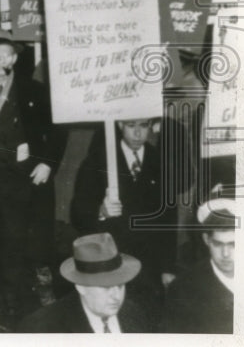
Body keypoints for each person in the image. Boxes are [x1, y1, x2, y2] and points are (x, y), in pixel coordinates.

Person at [0, 30, 62, 324]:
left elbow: (57, 128)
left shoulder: (34, 90)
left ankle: (11, 298)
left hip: (19, 181)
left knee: (14, 240)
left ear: (15, 59)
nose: (1, 59)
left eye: (7, 54)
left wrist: (47, 163)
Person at [70, 118, 179, 301]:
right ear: (120, 125)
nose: (137, 133)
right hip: (112, 263)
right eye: (131, 125)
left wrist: (168, 267)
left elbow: (169, 218)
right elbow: (77, 213)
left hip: (149, 264)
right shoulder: (98, 161)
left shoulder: (159, 161)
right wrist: (101, 212)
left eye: (143, 126)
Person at [18, 232, 152, 333]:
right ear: (81, 286)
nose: (116, 296)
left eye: (120, 285)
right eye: (106, 287)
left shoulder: (135, 314)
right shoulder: (43, 328)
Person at [162, 198, 235, 333]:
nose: (225, 254)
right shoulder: (182, 290)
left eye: (233, 244)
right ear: (206, 240)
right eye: (218, 244)